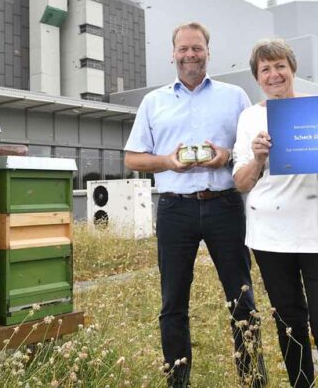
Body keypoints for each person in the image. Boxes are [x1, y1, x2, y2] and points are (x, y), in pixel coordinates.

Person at [124, 22, 264, 387]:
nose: (190, 55)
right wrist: (168, 161)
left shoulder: (234, 97)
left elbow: (250, 150)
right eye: (183, 49)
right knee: (172, 302)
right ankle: (178, 381)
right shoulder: (153, 102)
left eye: (197, 48)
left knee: (241, 297)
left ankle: (253, 379)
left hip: (224, 205)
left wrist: (226, 155)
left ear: (207, 51)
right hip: (175, 209)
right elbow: (133, 159)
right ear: (172, 53)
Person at [232, 38, 318, 388]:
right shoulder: (249, 118)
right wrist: (258, 158)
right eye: (265, 69)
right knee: (289, 322)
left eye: (279, 66)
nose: (274, 74)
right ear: (257, 77)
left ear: (292, 69)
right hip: (270, 235)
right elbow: (242, 182)